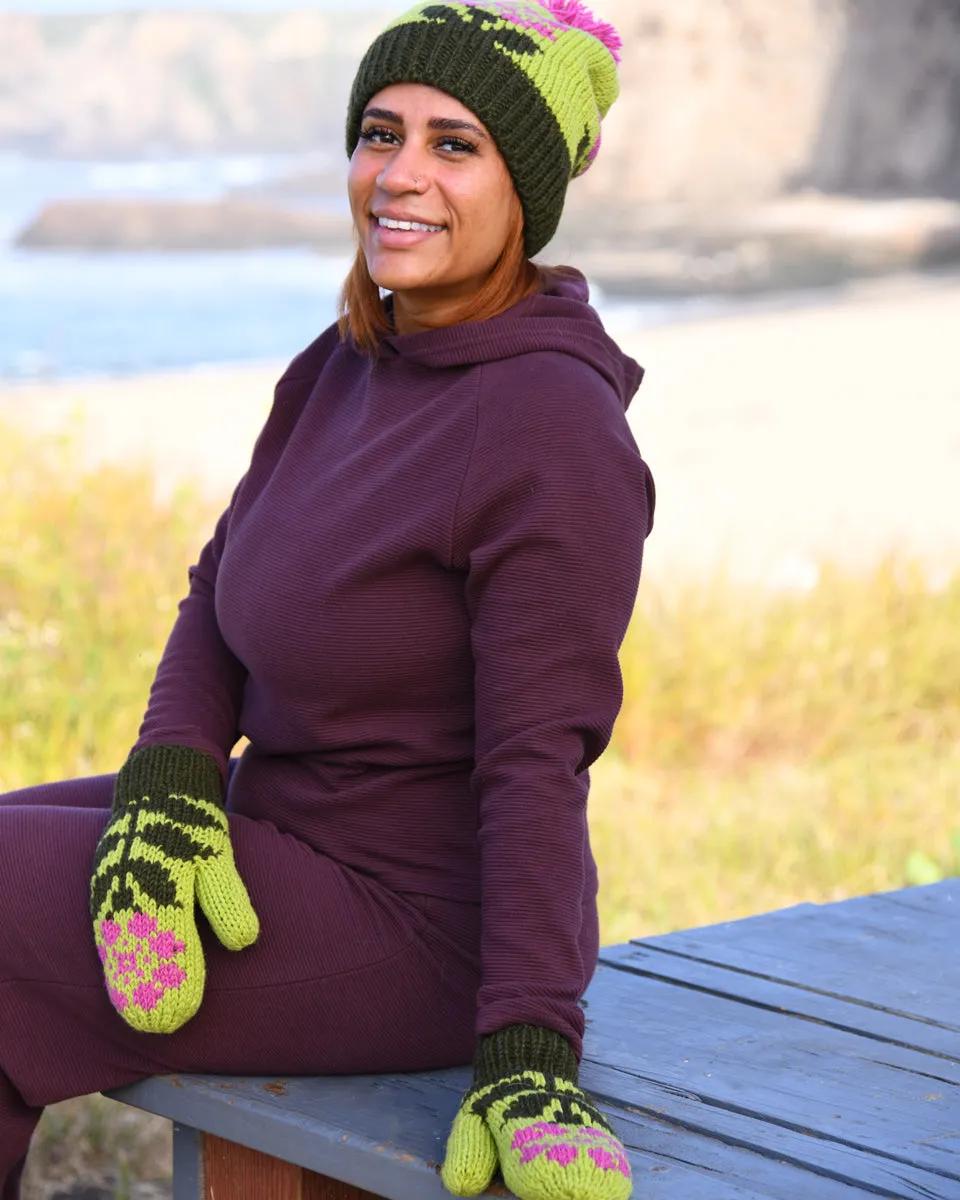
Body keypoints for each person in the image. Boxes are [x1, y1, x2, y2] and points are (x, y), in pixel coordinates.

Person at [0, 2, 655, 1198]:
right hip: (276, 829)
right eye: (380, 132)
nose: (400, 175)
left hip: (414, 927)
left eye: (455, 145)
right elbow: (217, 591)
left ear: (527, 193)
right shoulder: (348, 360)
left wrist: (525, 1046)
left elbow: (536, 762)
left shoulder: (551, 427)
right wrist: (170, 789)